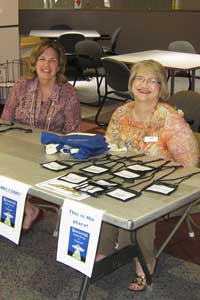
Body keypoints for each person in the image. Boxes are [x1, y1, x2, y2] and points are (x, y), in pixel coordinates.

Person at [96, 59, 199, 291]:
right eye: (140, 78)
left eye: (153, 80)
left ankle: (145, 259)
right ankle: (104, 249)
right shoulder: (121, 113)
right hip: (123, 176)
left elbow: (189, 165)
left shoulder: (169, 118)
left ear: (161, 88)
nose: (145, 85)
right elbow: (109, 149)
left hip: (162, 183)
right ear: (131, 83)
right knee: (98, 189)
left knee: (139, 200)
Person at [1, 39, 81, 232]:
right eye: (42, 59)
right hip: (18, 148)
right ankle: (29, 208)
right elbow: (5, 119)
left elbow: (73, 132)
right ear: (34, 62)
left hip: (51, 154)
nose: (46, 65)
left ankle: (25, 206)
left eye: (52, 60)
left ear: (59, 65)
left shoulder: (68, 93)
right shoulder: (22, 84)